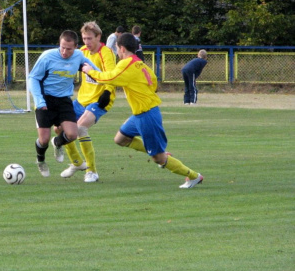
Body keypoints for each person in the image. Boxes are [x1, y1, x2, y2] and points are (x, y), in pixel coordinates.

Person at [83, 33, 204, 189]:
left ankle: (194, 176)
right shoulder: (140, 64)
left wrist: (89, 70)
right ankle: (158, 151)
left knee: (158, 159)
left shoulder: (126, 64)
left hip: (147, 115)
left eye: (117, 49)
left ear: (121, 48)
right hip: (140, 114)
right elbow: (153, 82)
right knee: (120, 139)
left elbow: (109, 78)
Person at [28, 30, 100, 177]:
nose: (64, 52)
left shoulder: (79, 56)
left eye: (69, 49)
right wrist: (39, 100)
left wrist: (98, 77)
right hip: (45, 99)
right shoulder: (47, 57)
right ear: (59, 44)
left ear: (75, 47)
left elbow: (96, 71)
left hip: (63, 101)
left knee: (73, 134)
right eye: (62, 47)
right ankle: (40, 160)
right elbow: (33, 78)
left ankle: (58, 143)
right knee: (43, 140)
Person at [58, 21, 117, 183]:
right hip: (81, 100)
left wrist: (107, 91)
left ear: (98, 37)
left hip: (100, 100)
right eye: (84, 38)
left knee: (80, 128)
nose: (87, 42)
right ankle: (77, 163)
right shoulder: (82, 52)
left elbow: (112, 75)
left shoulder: (106, 53)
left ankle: (91, 171)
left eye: (90, 38)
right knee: (58, 127)